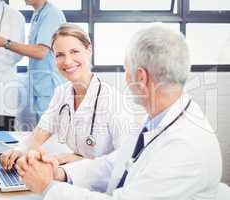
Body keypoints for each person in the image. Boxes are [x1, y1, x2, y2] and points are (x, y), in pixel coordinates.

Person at [15, 24, 223, 200]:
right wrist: (60, 173)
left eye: (125, 68)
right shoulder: (159, 121)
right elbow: (115, 164)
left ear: (141, 77)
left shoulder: (185, 147)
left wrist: (49, 188)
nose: (124, 76)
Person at [0, 24, 134, 169]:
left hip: (104, 185)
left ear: (89, 50)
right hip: (74, 176)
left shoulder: (113, 101)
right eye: (60, 55)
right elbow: (40, 133)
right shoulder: (61, 93)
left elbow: (127, 161)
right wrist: (18, 151)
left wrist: (80, 160)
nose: (67, 61)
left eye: (74, 51)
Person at [0, 0, 66, 129]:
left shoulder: (51, 15)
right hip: (41, 86)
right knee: (43, 132)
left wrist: (5, 43)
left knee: (51, 134)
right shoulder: (38, 14)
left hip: (50, 86)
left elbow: (40, 52)